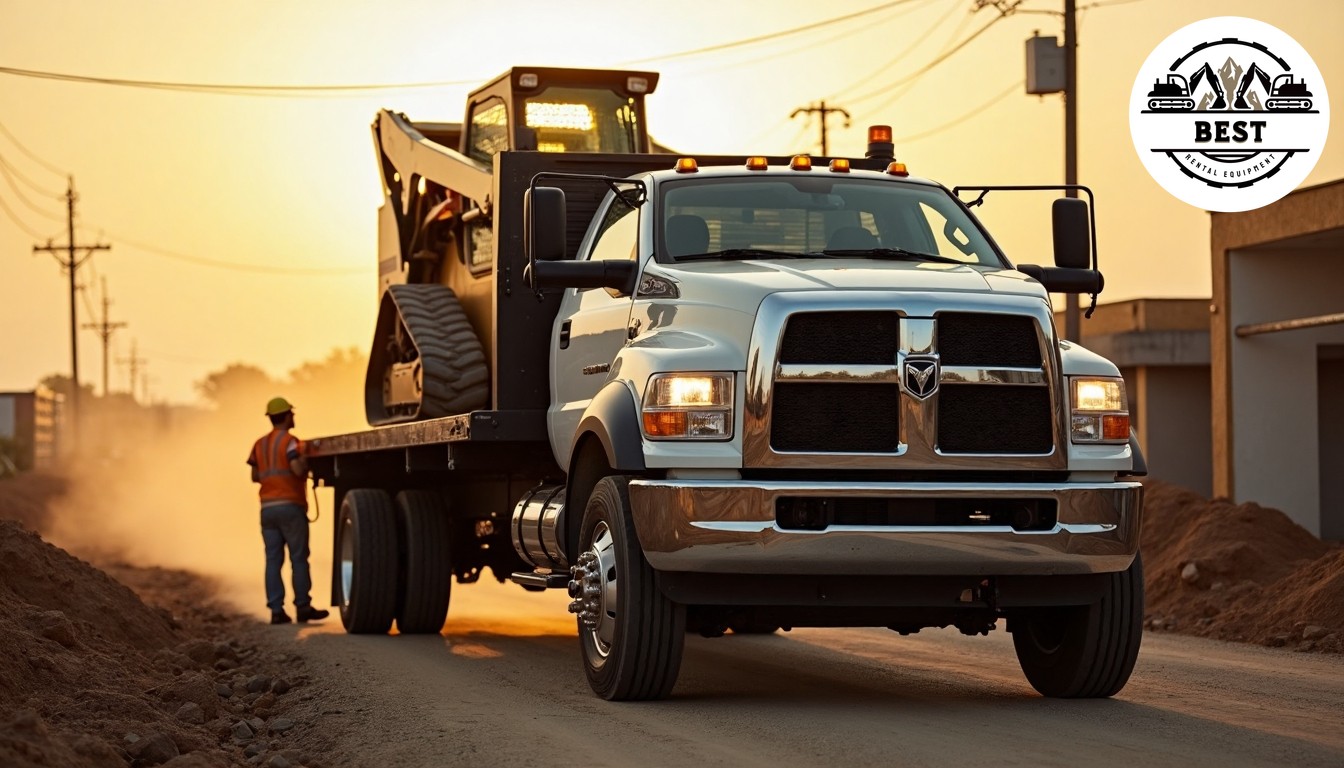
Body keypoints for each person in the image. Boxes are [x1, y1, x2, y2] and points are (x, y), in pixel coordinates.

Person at [248, 397, 330, 625]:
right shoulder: (291, 443)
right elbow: (295, 468)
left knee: (273, 560)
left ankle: (276, 611)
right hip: (290, 507)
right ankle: (303, 607)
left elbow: (255, 476)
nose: (294, 417)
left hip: (267, 510)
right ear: (285, 416)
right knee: (298, 559)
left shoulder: (259, 444)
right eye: (291, 414)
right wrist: (304, 463)